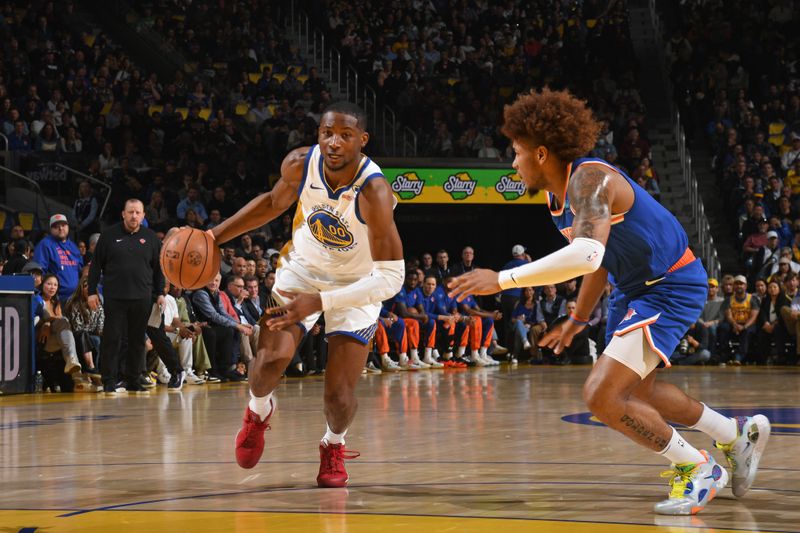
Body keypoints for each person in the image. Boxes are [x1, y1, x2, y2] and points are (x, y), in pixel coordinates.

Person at [448, 88, 770, 515]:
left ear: (541, 153)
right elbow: (599, 259)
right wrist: (578, 318)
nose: (512, 162)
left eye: (517, 151)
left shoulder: (589, 179)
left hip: (669, 284)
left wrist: (502, 278)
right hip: (632, 287)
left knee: (601, 396)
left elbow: (586, 253)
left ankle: (698, 468)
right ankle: (734, 433)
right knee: (638, 390)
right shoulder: (556, 197)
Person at [210, 101, 404, 488]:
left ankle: (333, 444)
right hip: (303, 270)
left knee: (339, 396)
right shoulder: (301, 163)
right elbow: (270, 203)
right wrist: (214, 236)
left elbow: (392, 278)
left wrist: (322, 302)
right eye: (327, 133)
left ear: (362, 141)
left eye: (345, 136)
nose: (334, 143)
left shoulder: (375, 191)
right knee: (268, 361)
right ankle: (258, 412)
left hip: (358, 285)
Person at [87, 199, 165, 394]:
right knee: (112, 339)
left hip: (142, 297)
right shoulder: (109, 236)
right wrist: (91, 292)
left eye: (138, 212)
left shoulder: (151, 238)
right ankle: (109, 381)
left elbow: (159, 269)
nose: (134, 216)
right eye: (130, 212)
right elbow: (96, 265)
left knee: (137, 341)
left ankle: (133, 379)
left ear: (143, 215)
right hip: (115, 297)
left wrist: (160, 293)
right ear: (123, 213)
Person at [34, 214, 83, 302]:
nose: (60, 228)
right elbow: (39, 273)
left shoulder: (73, 246)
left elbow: (80, 270)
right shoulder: (45, 244)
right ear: (51, 229)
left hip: (74, 299)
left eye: (63, 225)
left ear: (68, 227)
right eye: (56, 226)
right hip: (55, 299)